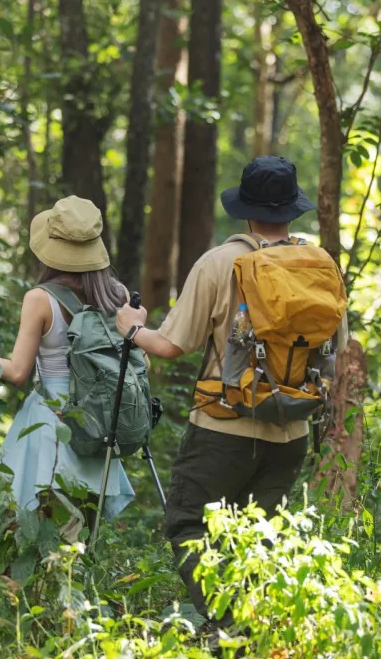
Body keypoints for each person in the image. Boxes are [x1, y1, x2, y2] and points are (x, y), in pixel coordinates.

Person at [115, 155, 344, 631]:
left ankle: (231, 629)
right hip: (292, 430)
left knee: (189, 524)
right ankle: (261, 634)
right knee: (259, 539)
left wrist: (133, 330)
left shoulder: (221, 262)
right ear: (291, 210)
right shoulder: (317, 263)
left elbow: (173, 345)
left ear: (245, 209)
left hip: (224, 427)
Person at [0, 196, 135, 526]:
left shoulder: (40, 299)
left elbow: (16, 372)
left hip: (51, 423)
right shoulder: (118, 294)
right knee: (80, 536)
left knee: (37, 532)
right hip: (99, 421)